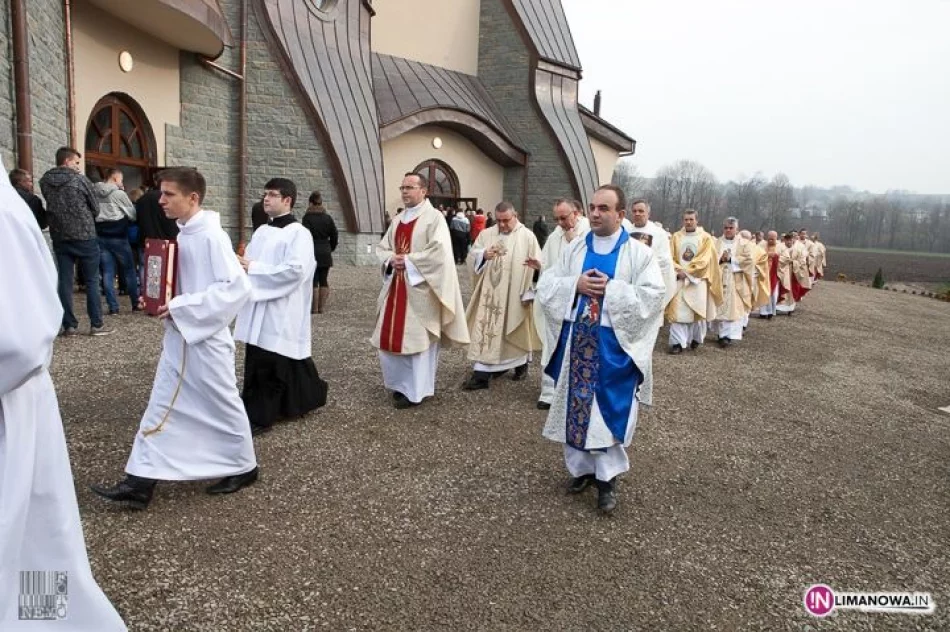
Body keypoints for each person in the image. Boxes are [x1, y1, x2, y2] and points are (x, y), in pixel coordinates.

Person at [0, 155, 127, 630]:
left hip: (12, 408)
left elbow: (21, 336)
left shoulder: (6, 215)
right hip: (15, 403)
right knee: (33, 534)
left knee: (36, 539)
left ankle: (49, 621)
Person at [90, 168, 258, 509]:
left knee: (222, 404)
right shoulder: (185, 233)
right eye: (161, 193)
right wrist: (155, 299)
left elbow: (237, 287)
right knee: (162, 405)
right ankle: (139, 483)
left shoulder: (211, 235)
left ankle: (244, 465)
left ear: (192, 198)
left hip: (205, 342)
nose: (160, 200)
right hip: (181, 336)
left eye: (168, 194)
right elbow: (184, 282)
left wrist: (179, 305)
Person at [537, 184, 665, 514]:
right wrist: (574, 285)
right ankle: (581, 471)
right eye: (592, 207)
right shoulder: (576, 248)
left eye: (604, 208)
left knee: (605, 416)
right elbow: (548, 284)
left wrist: (612, 291)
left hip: (614, 348)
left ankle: (607, 480)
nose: (595, 213)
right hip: (578, 342)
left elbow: (653, 296)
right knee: (575, 410)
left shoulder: (639, 254)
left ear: (621, 215)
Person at [235, 178, 328, 436]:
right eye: (265, 194)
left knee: (272, 362)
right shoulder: (263, 231)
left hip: (281, 306)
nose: (266, 199)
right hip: (260, 304)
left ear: (287, 200)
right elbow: (249, 262)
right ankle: (304, 398)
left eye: (273, 195)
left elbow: (296, 271)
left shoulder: (299, 233)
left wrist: (253, 268)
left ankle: (262, 415)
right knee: (270, 358)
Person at [372, 173, 469, 409]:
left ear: (423, 191)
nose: (404, 192)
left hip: (421, 290)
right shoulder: (398, 220)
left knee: (417, 341)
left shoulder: (434, 218)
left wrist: (409, 262)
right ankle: (398, 385)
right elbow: (383, 248)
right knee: (390, 339)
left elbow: (440, 253)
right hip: (396, 287)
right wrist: (390, 261)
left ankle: (416, 390)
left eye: (410, 187)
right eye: (402, 187)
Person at [462, 201, 543, 390]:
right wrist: (482, 256)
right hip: (490, 295)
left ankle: (520, 365)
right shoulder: (487, 234)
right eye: (499, 221)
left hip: (515, 293)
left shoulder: (527, 236)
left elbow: (539, 263)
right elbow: (472, 255)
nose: (502, 225)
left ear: (515, 216)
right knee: (486, 330)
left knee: (514, 327)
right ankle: (481, 373)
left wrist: (536, 272)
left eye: (506, 220)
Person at [39, 147, 112, 336]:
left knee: (65, 280)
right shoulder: (80, 180)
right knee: (92, 280)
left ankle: (69, 325)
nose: (78, 166)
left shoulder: (45, 181)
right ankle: (96, 324)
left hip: (60, 235)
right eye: (76, 162)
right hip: (84, 234)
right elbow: (95, 207)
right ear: (67, 161)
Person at [535, 199, 589, 409]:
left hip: (576, 300)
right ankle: (548, 392)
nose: (560, 223)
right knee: (551, 346)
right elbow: (548, 266)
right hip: (556, 301)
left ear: (577, 213)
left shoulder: (588, 234)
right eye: (556, 218)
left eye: (564, 218)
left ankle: (573, 391)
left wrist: (572, 241)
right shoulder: (554, 236)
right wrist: (539, 268)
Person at [665, 209, 721, 353]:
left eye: (691, 219)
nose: (688, 222)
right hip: (679, 279)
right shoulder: (676, 237)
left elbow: (704, 260)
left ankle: (696, 338)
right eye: (686, 219)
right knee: (677, 312)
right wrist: (678, 270)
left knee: (696, 312)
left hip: (697, 281)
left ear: (697, 220)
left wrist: (689, 272)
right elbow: (669, 257)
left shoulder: (705, 238)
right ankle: (677, 343)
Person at [94, 168, 140, 314]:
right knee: (129, 270)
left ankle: (113, 307)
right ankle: (135, 303)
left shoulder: (94, 191)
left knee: (108, 272)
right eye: (121, 179)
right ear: (115, 178)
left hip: (100, 235)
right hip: (118, 236)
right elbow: (132, 214)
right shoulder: (119, 194)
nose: (122, 182)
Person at [710, 218, 755, 348]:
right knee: (719, 306)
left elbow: (749, 261)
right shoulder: (716, 242)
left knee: (732, 308)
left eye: (731, 228)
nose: (728, 230)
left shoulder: (744, 244)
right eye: (726, 228)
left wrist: (731, 259)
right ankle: (720, 333)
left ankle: (726, 336)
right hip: (719, 278)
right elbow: (711, 257)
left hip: (735, 280)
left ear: (737, 229)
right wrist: (720, 258)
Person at [628, 199, 676, 306]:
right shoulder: (626, 232)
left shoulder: (659, 233)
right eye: (634, 211)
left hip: (650, 282)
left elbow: (664, 260)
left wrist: (643, 267)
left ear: (648, 214)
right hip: (629, 282)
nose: (637, 214)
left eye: (641, 211)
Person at [301, 191, 338, 313]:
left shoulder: (307, 218)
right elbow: (334, 234)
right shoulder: (328, 218)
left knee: (314, 280)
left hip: (312, 251)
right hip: (325, 250)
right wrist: (330, 247)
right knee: (324, 279)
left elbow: (304, 236)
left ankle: (314, 308)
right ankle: (321, 307)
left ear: (310, 203)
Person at [776, 232, 811, 315]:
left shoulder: (799, 249)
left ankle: (790, 308)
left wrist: (793, 263)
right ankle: (779, 306)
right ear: (785, 240)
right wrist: (785, 262)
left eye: (791, 240)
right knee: (782, 288)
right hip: (783, 271)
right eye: (787, 240)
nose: (789, 242)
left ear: (793, 240)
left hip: (794, 272)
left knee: (792, 289)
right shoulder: (779, 247)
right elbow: (777, 258)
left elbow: (802, 261)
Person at [758, 231, 781, 319]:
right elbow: (757, 255)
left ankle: (771, 311)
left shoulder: (780, 247)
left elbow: (785, 258)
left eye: (773, 239)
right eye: (769, 238)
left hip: (774, 273)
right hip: (763, 272)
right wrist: (767, 255)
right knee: (763, 292)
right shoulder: (762, 245)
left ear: (776, 238)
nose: (771, 241)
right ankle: (763, 312)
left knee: (773, 294)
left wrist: (775, 256)